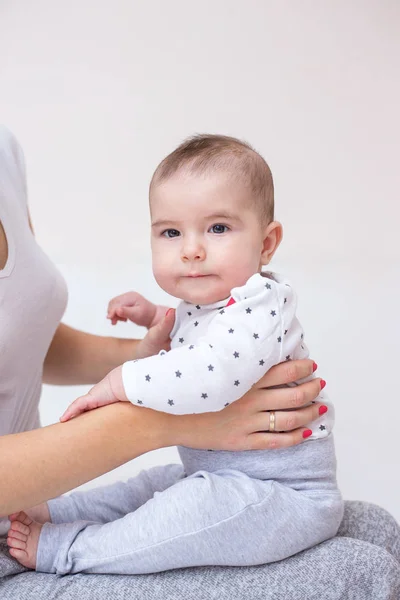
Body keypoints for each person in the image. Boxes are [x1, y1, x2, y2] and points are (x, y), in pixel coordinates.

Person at [6, 134, 342, 575]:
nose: (191, 249)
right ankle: (56, 510)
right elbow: (204, 336)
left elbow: (214, 372)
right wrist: (157, 319)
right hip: (225, 475)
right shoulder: (216, 303)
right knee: (153, 487)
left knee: (192, 505)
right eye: (171, 232)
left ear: (266, 243)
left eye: (218, 228)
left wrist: (122, 378)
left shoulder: (264, 301)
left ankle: (70, 550)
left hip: (281, 496)